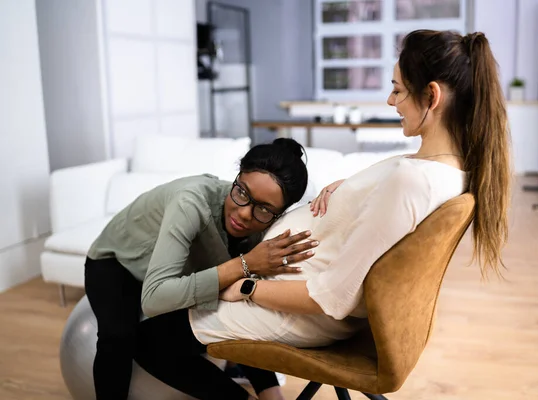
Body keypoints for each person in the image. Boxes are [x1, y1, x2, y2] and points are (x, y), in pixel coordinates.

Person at [135, 29, 511, 398]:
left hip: (299, 310)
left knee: (146, 341)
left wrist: (247, 288)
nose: (390, 101)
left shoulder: (411, 180)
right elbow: (387, 205)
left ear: (432, 95)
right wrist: (350, 188)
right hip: (290, 293)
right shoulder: (446, 171)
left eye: (398, 89)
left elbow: (331, 297)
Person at [84, 137, 316, 400]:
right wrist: (246, 264)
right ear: (237, 176)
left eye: (263, 209)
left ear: (281, 213)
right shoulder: (191, 202)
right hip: (119, 261)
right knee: (120, 337)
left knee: (238, 312)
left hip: (178, 273)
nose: (244, 214)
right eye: (242, 192)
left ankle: (271, 396)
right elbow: (154, 298)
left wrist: (336, 189)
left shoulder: (269, 225)